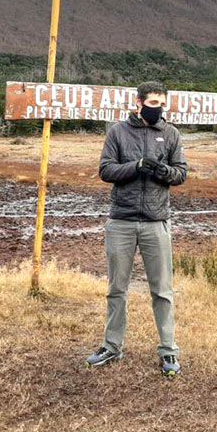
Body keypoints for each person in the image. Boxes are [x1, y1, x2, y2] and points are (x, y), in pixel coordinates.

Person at [86, 81, 188, 376]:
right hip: (122, 221)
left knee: (163, 290)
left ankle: (168, 350)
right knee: (117, 288)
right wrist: (136, 165)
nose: (158, 109)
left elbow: (181, 173)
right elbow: (105, 170)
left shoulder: (171, 134)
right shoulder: (117, 132)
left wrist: (162, 170)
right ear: (139, 103)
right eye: (153, 103)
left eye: (161, 104)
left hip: (156, 221)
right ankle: (112, 345)